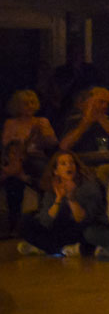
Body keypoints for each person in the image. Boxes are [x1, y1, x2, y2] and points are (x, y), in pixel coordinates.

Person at [16, 150, 103, 257]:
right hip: (57, 230)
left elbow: (83, 219)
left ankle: (46, 248)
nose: (69, 166)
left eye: (71, 163)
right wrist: (58, 199)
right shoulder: (52, 188)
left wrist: (71, 198)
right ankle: (59, 249)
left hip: (79, 229)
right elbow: (45, 221)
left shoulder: (88, 186)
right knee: (26, 221)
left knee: (76, 227)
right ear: (56, 171)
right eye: (63, 164)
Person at [4, 89, 58, 236]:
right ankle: (14, 224)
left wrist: (42, 134)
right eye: (25, 104)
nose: (29, 106)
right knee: (13, 183)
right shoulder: (11, 123)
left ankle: (43, 220)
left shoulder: (42, 121)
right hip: (16, 159)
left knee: (42, 175)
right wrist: (29, 137)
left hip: (36, 158)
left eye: (32, 102)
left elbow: (52, 143)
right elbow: (7, 145)